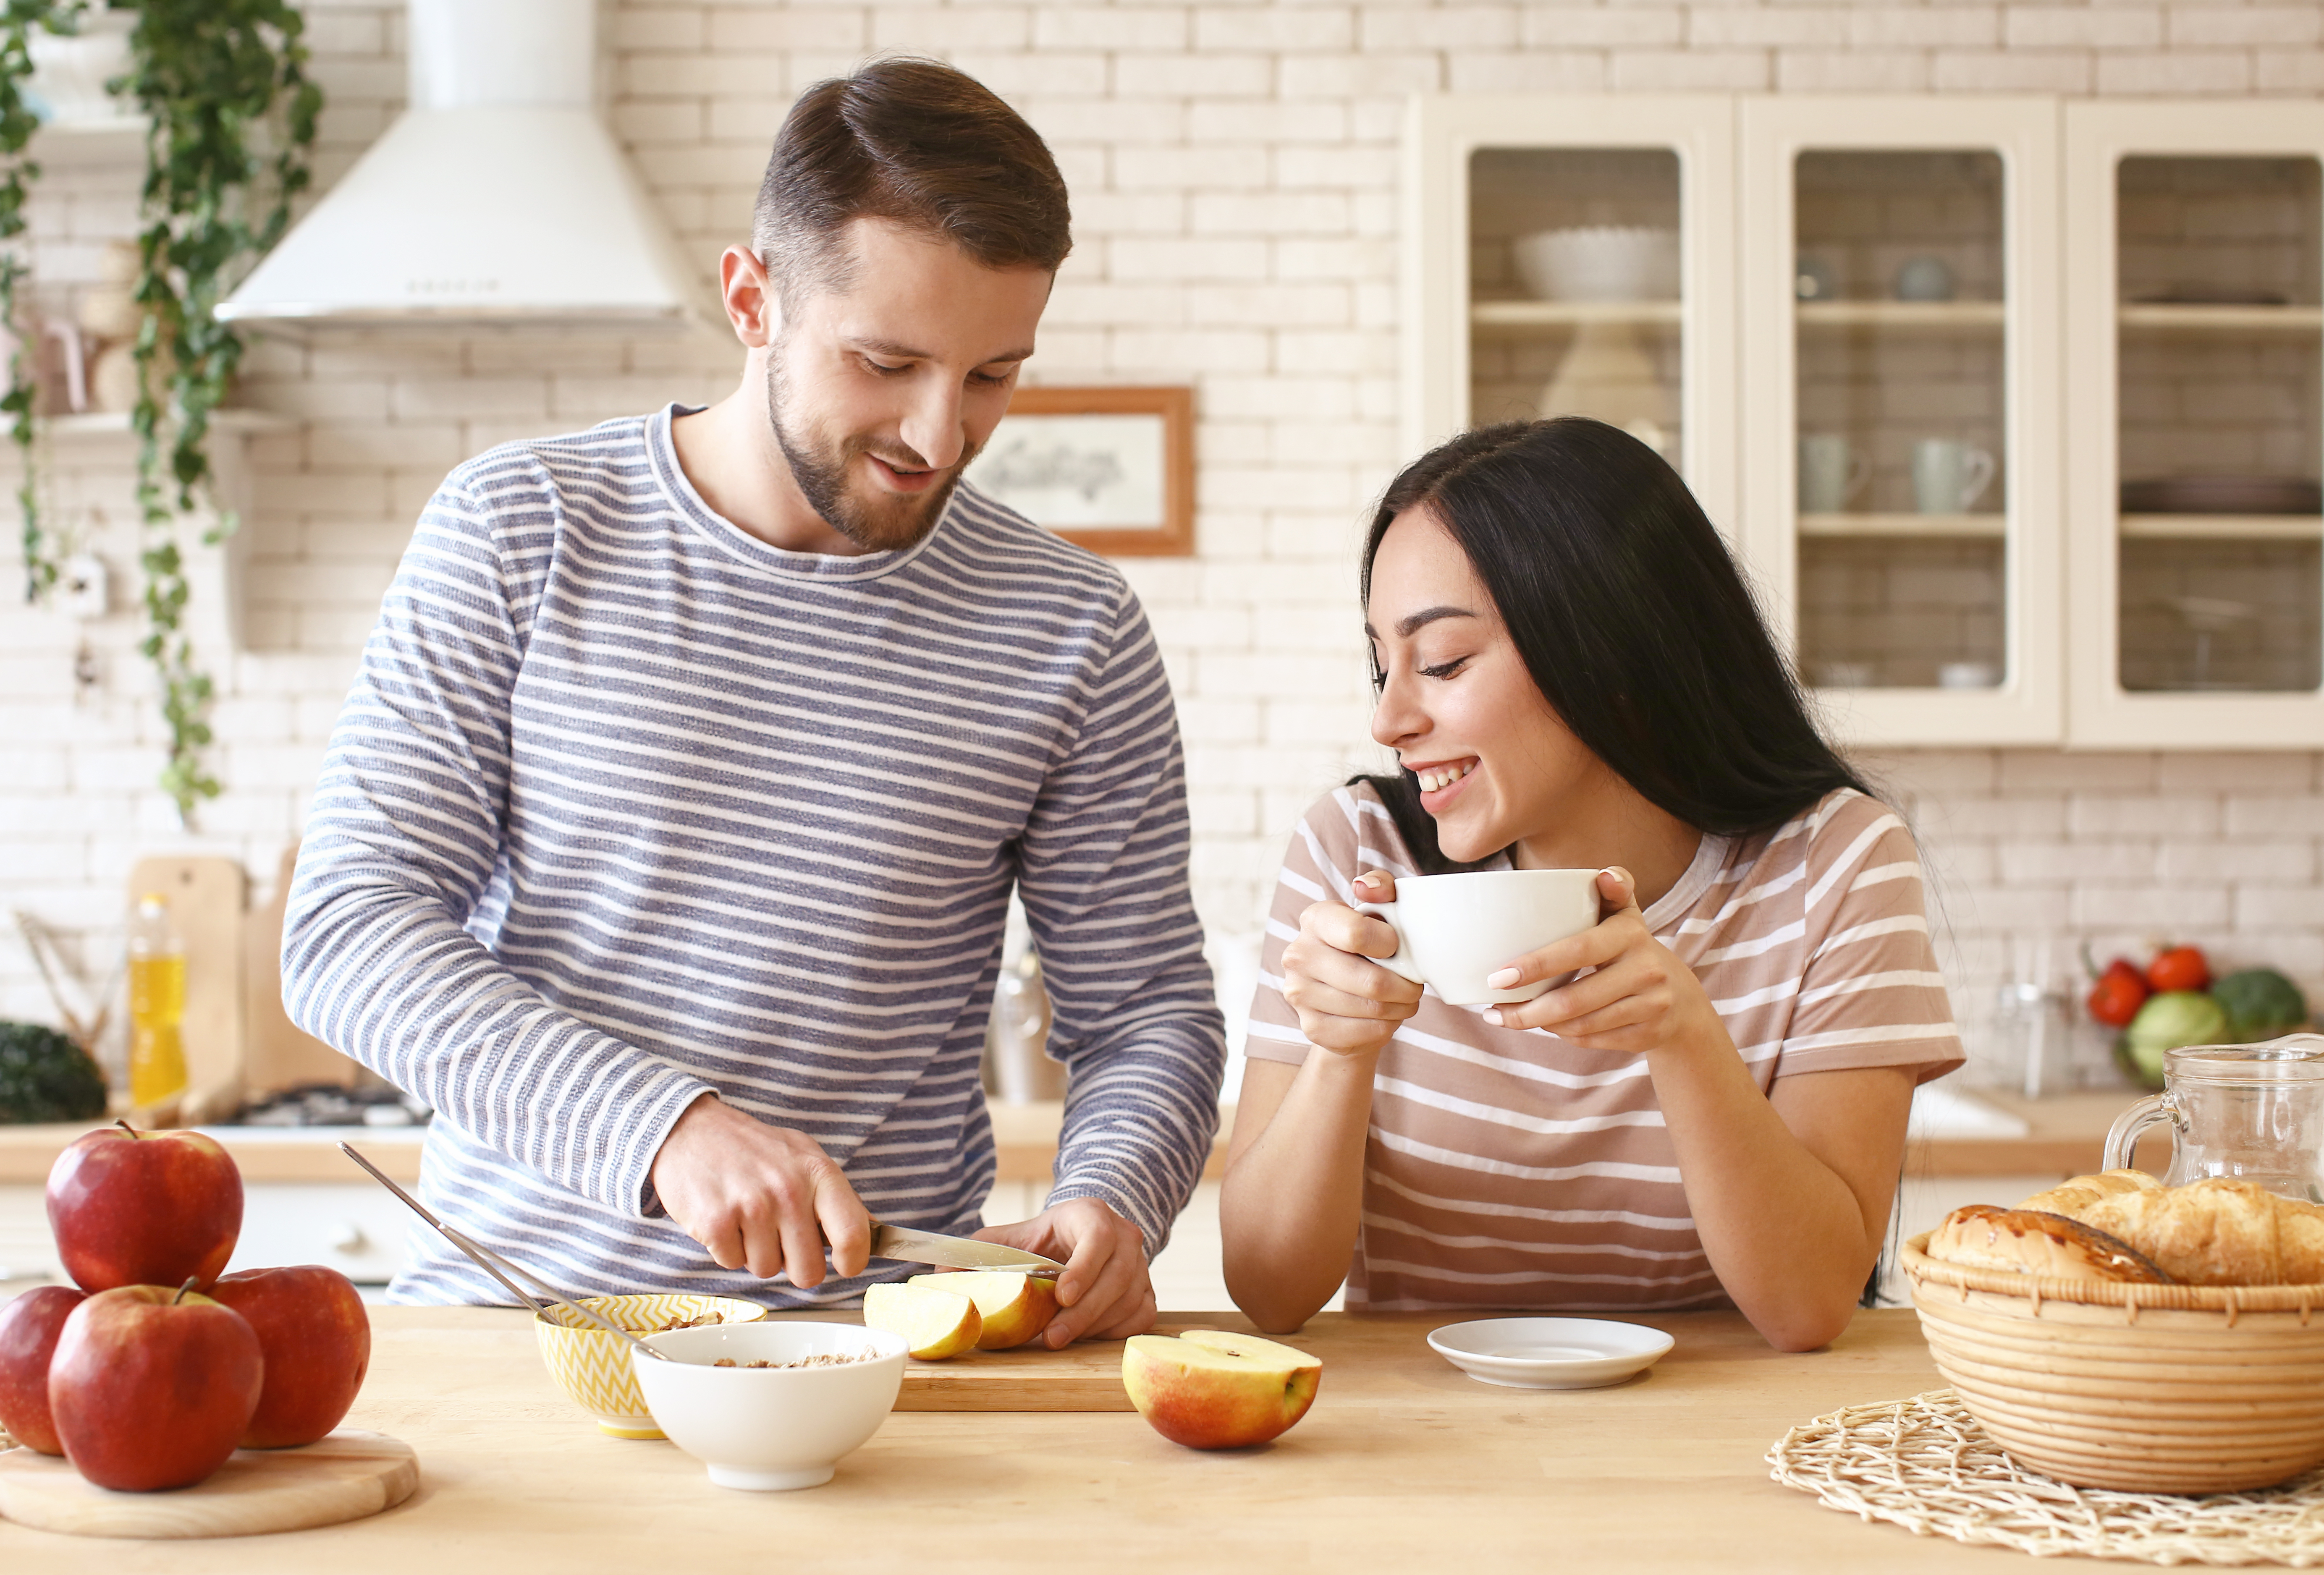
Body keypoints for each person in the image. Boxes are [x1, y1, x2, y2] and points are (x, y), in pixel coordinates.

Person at [282, 60, 1222, 1347]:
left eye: (994, 376)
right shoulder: (521, 529)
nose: (939, 436)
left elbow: (1147, 1012)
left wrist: (1118, 1193)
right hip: (516, 1341)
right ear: (751, 299)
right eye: (886, 362)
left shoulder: (1071, 626)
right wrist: (663, 1126)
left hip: (880, 1369)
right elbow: (347, 928)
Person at [1219, 418, 1961, 1352]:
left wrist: (1684, 1036)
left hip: (1726, 1443)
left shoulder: (1834, 864)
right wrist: (1339, 1049)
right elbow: (1268, 1290)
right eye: (1383, 663)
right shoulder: (1359, 853)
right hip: (1418, 1448)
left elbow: (1810, 1305)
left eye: (1442, 662)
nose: (1389, 718)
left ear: (1607, 649)